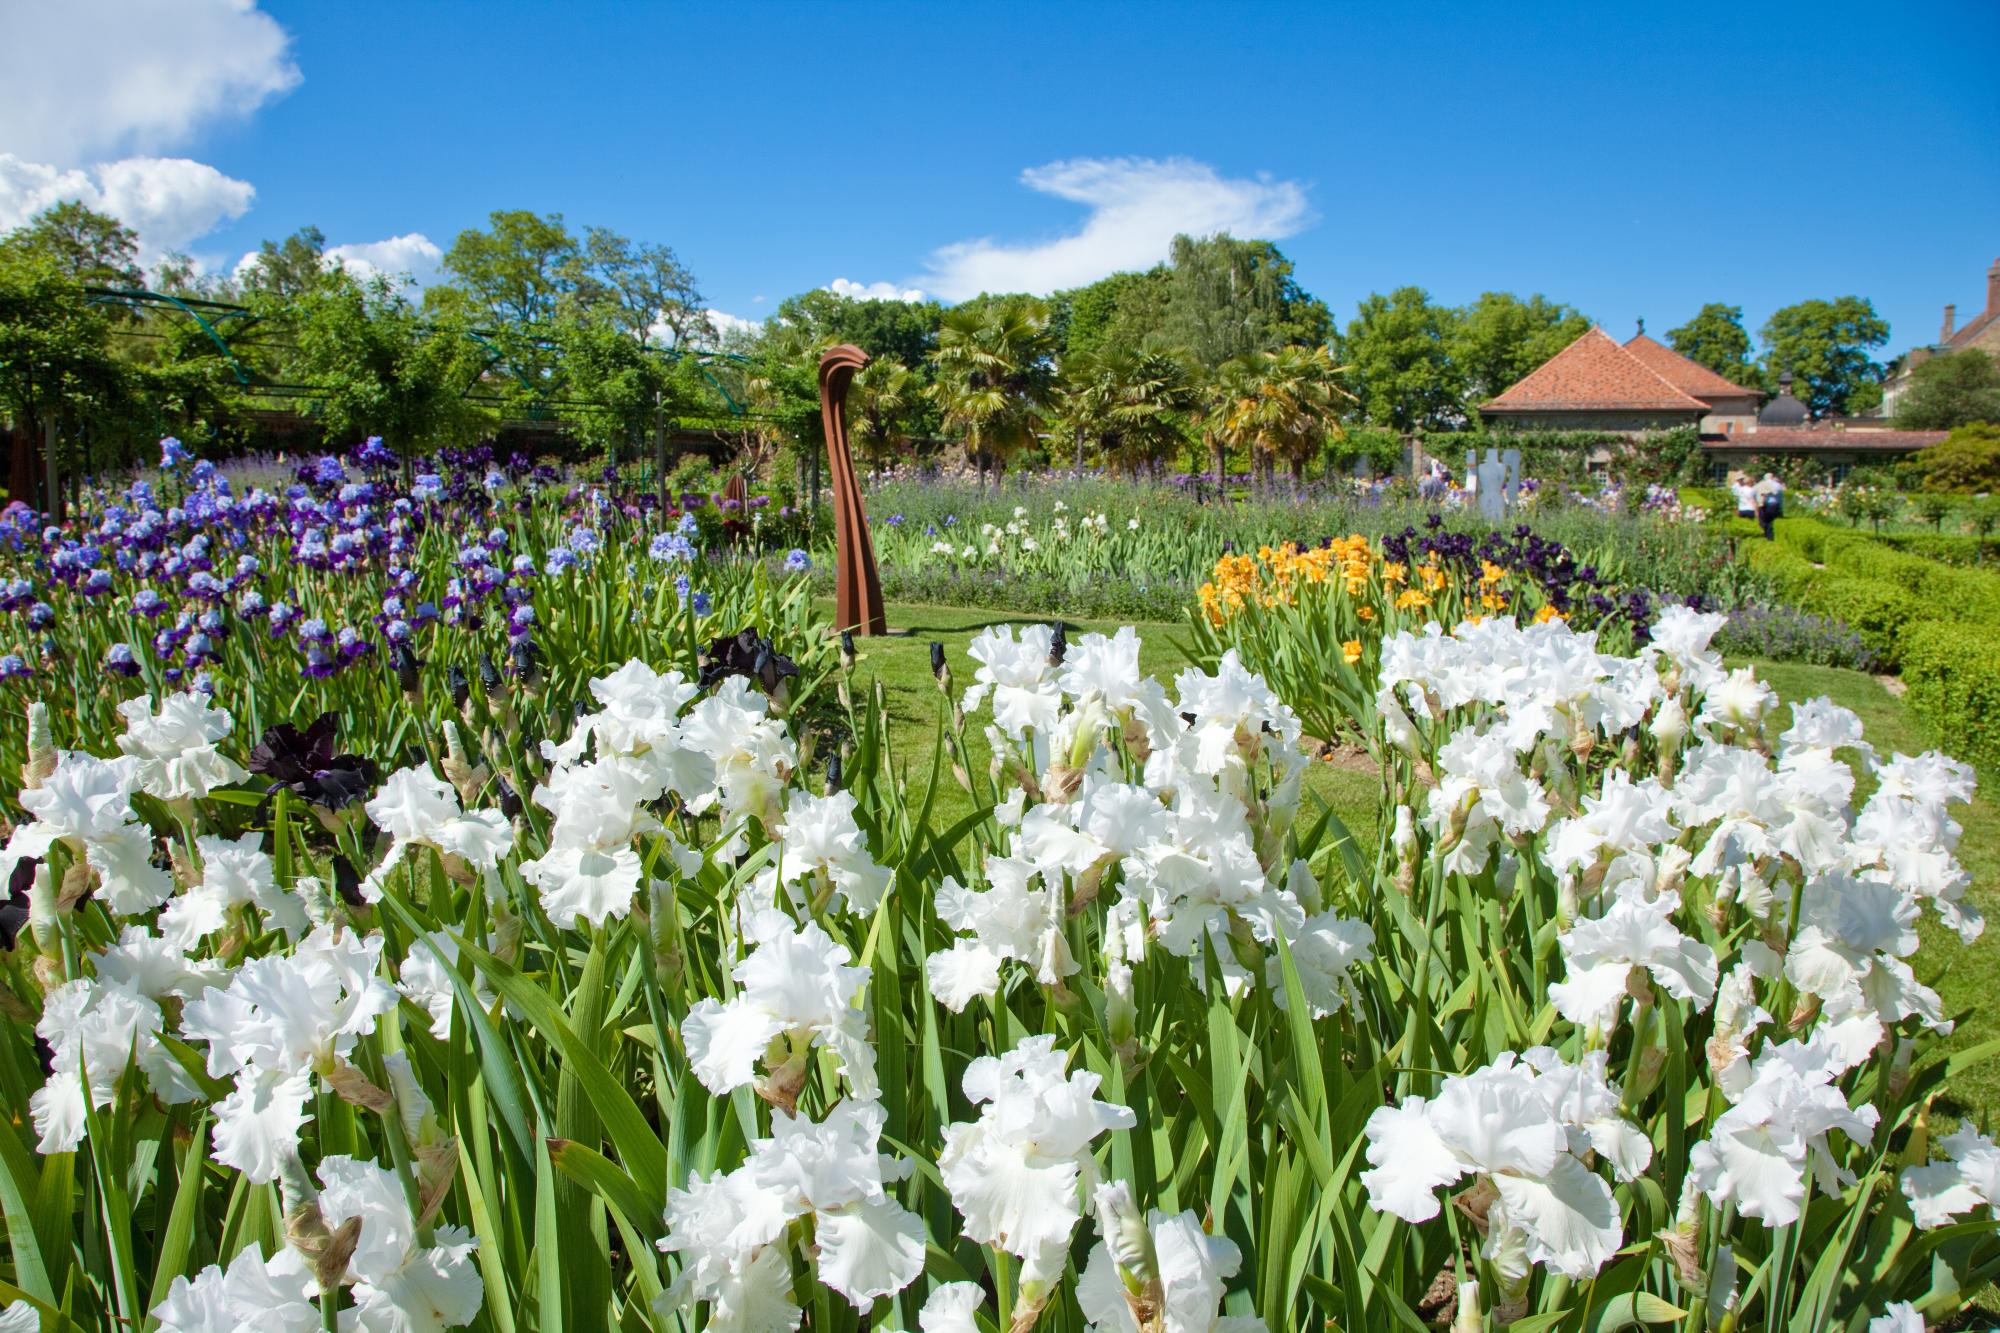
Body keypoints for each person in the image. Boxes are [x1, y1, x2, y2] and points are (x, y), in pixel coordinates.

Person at [1754, 472, 1783, 540]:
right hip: (1775, 505)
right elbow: (1780, 497)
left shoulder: (1762, 484)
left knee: (1764, 521)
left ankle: (1767, 536)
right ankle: (1772, 536)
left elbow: (1755, 493)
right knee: (1773, 521)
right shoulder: (1778, 485)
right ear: (1772, 477)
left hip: (1766, 505)